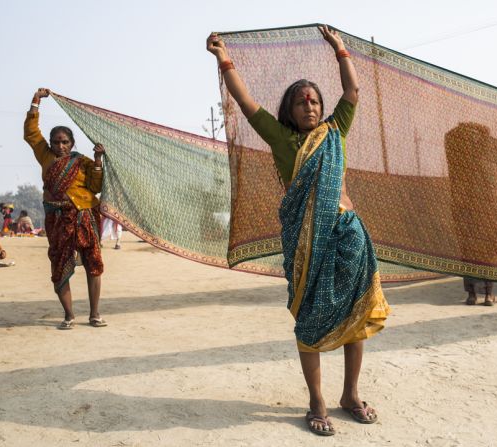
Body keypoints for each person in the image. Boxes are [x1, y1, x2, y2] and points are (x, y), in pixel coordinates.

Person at [207, 26, 390, 436]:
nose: (309, 106)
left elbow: (352, 93)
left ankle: (350, 394)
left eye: (313, 100)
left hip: (348, 235)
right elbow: (246, 102)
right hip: (306, 243)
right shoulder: (280, 138)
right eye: (300, 102)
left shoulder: (334, 131)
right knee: (309, 318)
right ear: (288, 111)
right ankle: (317, 400)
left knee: (356, 314)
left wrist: (341, 50)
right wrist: (223, 58)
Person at [24, 87, 108, 329]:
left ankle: (94, 314)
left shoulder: (82, 162)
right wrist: (36, 101)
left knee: (93, 263)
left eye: (65, 142)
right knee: (59, 266)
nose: (60, 146)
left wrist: (99, 160)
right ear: (50, 144)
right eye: (56, 142)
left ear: (72, 143)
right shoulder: (46, 157)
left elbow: (96, 186)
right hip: (57, 219)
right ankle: (69, 315)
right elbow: (31, 133)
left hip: (84, 217)